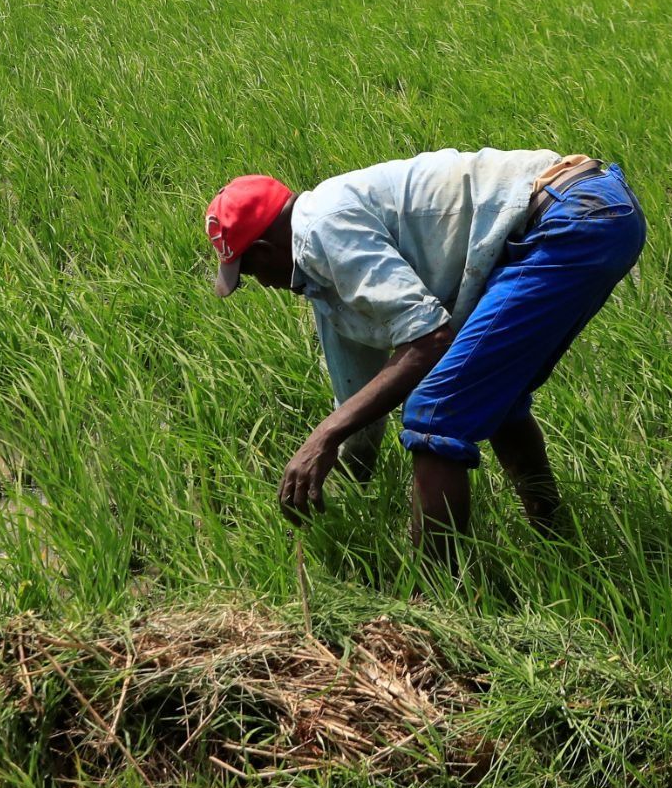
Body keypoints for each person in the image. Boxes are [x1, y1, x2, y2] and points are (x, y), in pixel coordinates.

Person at [205, 149, 645, 567]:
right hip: (592, 212)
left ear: (263, 250)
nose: (259, 284)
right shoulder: (323, 276)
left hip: (570, 218)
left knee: (436, 411)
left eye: (249, 273)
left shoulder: (324, 231)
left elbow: (429, 339)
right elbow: (358, 397)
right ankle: (559, 541)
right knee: (492, 396)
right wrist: (330, 477)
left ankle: (434, 600)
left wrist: (321, 439)